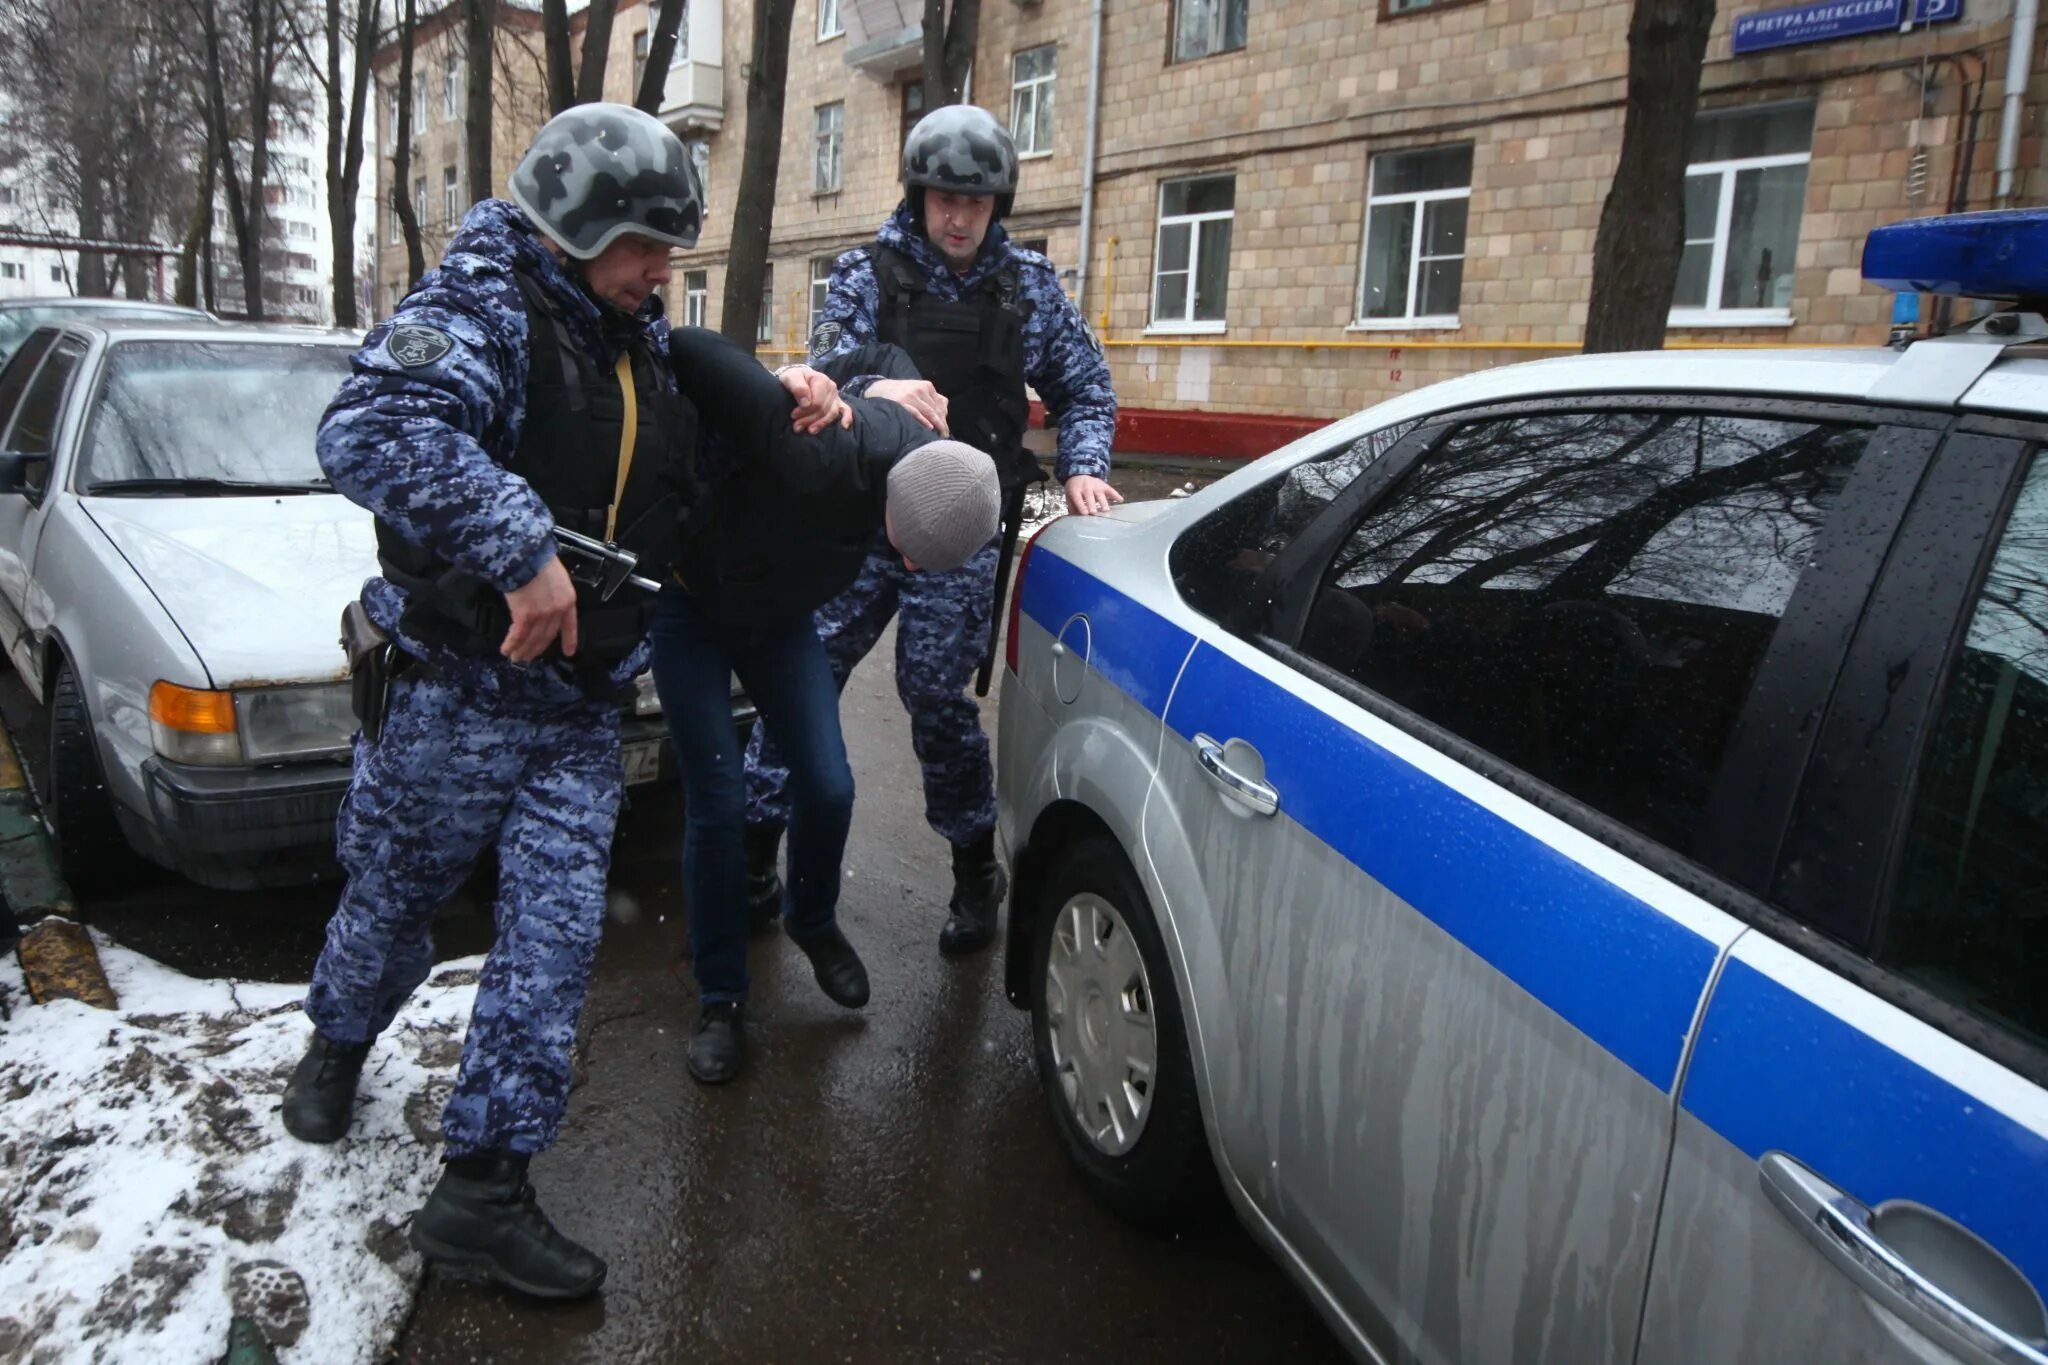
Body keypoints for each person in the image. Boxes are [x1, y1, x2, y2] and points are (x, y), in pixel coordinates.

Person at [277, 103, 840, 1301]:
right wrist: (519, 545)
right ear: (578, 225)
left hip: (577, 712)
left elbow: (668, 451)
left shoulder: (625, 329)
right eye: (645, 247)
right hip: (456, 700)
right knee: (392, 904)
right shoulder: (482, 303)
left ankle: (483, 1190)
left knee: (551, 944)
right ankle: (337, 1040)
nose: (661, 273)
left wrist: (788, 390)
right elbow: (368, 426)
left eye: (669, 252)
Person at [743, 102, 1120, 960]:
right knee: (799, 676)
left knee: (935, 698)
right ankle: (754, 854)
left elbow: (1085, 389)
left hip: (960, 530)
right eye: (942, 197)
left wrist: (1084, 465)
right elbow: (826, 364)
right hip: (861, 518)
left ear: (998, 207)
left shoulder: (1026, 287)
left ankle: (970, 869)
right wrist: (872, 384)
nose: (956, 217)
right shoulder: (864, 275)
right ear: (918, 196)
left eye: (975, 202)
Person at [653, 327, 1001, 1084]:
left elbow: (888, 359)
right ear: (896, 530)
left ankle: (812, 919)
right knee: (717, 800)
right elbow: (686, 348)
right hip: (696, 611)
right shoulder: (812, 449)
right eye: (911, 556)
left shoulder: (923, 446)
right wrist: (794, 378)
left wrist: (865, 382)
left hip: (778, 623)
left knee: (829, 783)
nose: (910, 570)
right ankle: (720, 997)